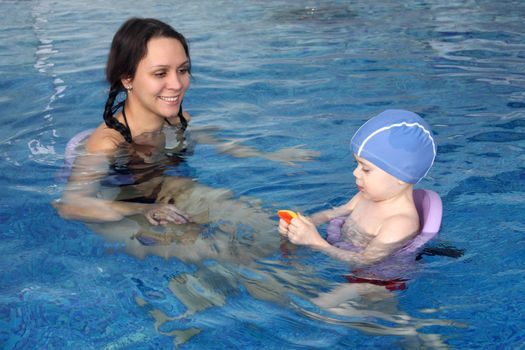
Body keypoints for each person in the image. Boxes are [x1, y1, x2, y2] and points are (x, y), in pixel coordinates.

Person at [54, 17, 318, 233]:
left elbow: (209, 138)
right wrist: (143, 210)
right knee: (229, 252)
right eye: (160, 73)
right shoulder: (107, 143)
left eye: (182, 70)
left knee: (263, 225)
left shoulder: (177, 119)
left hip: (168, 190)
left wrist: (270, 156)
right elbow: (71, 205)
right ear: (127, 79)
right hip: (127, 203)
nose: (177, 84)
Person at [279, 109, 436, 267]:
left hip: (378, 281)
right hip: (341, 255)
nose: (355, 173)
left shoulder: (400, 223)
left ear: (401, 176)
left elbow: (366, 261)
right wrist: (301, 225)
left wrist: (315, 242)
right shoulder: (363, 197)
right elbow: (331, 214)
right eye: (357, 164)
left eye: (366, 169)